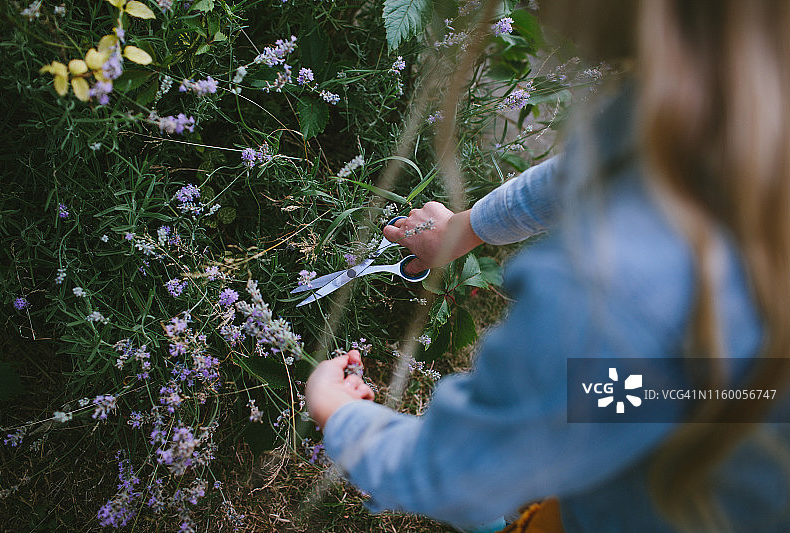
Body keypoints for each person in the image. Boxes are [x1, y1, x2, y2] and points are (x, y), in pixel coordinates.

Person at [305, 1, 790, 532]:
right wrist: (468, 226)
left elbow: (447, 473)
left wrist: (340, 414)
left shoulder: (610, 292)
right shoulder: (735, 100)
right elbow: (603, 164)